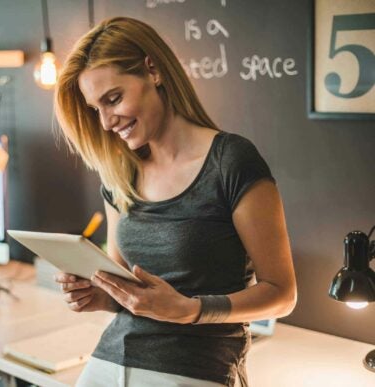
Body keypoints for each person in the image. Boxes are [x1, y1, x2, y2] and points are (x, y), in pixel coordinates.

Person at [53, 17, 297, 387]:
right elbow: (126, 290)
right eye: (95, 109)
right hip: (109, 360)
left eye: (113, 99)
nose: (105, 122)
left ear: (153, 70)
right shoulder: (120, 172)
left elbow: (282, 294)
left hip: (195, 369)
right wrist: (99, 296)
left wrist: (190, 310)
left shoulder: (230, 161)